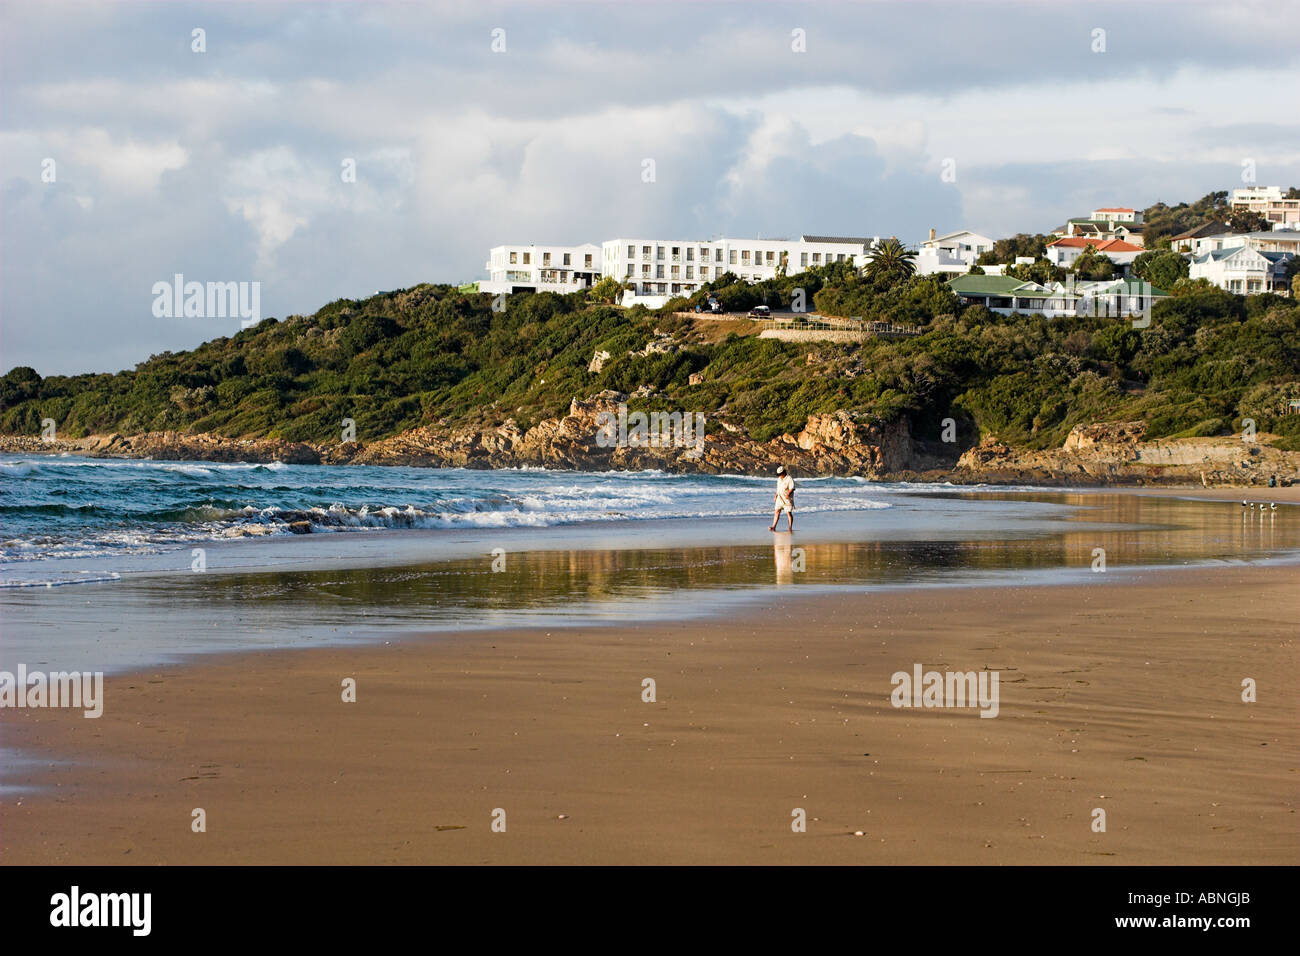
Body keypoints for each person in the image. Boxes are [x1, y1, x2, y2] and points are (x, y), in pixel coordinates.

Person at [769, 465, 795, 532]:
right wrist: (776, 496)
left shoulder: (789, 478)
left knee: (788, 513)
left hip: (787, 498)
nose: (779, 475)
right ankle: (773, 526)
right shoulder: (779, 479)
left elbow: (792, 488)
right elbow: (778, 488)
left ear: (783, 472)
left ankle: (790, 527)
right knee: (777, 511)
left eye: (780, 474)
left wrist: (788, 494)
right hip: (779, 498)